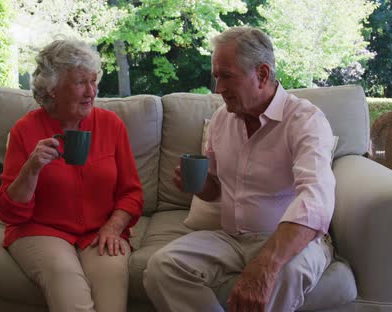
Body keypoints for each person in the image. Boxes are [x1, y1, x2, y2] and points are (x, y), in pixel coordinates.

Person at [143, 26, 336, 312]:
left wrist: (267, 264)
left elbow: (315, 199)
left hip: (286, 240)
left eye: (226, 76)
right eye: (216, 76)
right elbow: (216, 189)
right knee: (161, 267)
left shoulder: (304, 120)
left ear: (261, 74)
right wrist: (198, 186)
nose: (218, 88)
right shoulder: (222, 119)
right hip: (232, 238)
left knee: (288, 273)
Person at [0, 38, 144, 312]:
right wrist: (32, 169)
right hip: (41, 230)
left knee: (111, 291)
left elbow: (131, 193)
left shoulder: (111, 125)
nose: (91, 91)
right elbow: (9, 212)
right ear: (52, 90)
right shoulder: (25, 130)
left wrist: (113, 227)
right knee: (66, 282)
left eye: (93, 81)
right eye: (79, 82)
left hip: (99, 232)